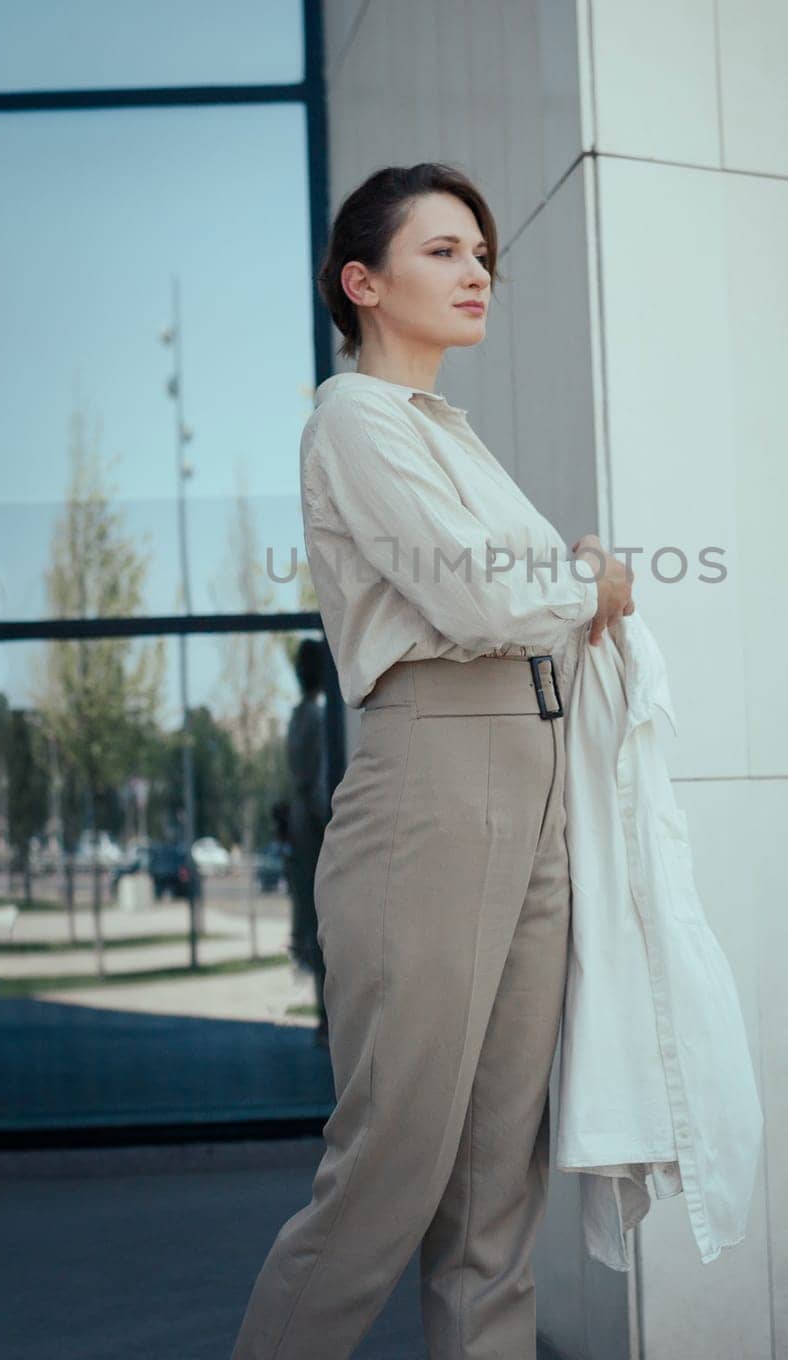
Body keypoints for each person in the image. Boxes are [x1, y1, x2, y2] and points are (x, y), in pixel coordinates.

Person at [231, 162, 634, 1360]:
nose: (476, 273)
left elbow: (510, 597)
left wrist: (559, 593)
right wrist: (590, 582)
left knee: (493, 1193)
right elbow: (476, 594)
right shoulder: (352, 418)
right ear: (362, 282)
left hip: (531, 767)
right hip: (433, 781)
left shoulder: (449, 436)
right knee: (388, 1174)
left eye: (482, 254)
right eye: (443, 250)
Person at [284, 636, 332, 1037]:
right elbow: (316, 783)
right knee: (325, 924)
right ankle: (328, 1017)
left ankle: (325, 1015)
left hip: (305, 826)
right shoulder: (316, 718)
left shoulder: (300, 716)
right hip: (316, 829)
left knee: (315, 922)